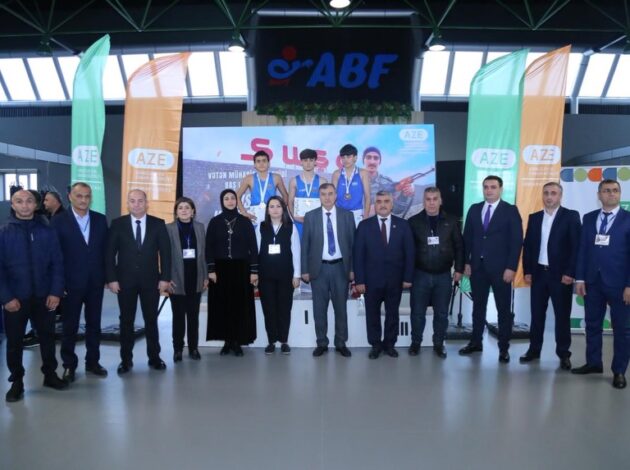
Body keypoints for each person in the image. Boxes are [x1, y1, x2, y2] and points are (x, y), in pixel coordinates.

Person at [0, 189, 68, 402]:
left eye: (29, 201)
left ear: (36, 205)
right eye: (19, 201)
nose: (25, 205)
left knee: (47, 338)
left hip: (44, 297)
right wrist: (6, 297)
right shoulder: (4, 233)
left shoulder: (47, 231)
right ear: (13, 205)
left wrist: (55, 292)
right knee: (14, 342)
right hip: (15, 299)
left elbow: (57, 264)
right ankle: (17, 382)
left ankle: (50, 375)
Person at [106, 189, 172, 374]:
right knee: (126, 321)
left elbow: (166, 254)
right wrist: (112, 279)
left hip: (151, 281)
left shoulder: (158, 224)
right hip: (124, 282)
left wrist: (165, 278)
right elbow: (109, 254)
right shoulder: (117, 224)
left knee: (151, 320)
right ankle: (126, 360)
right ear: (128, 203)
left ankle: (155, 357)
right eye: (133, 201)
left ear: (147, 203)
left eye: (140, 201)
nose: (136, 204)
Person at [572, 179, 630, 389]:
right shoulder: (588, 218)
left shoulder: (628, 219)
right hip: (592, 282)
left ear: (620, 194)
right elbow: (582, 250)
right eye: (606, 191)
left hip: (620, 284)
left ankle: (619, 371)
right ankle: (594, 362)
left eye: (615, 190)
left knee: (622, 330)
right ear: (599, 195)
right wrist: (580, 278)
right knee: (592, 324)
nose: (611, 194)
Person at [460, 175, 523, 363]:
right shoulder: (474, 209)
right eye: (486, 187)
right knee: (478, 307)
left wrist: (511, 267)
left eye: (493, 187)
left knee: (503, 310)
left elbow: (516, 241)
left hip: (501, 270)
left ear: (501, 189)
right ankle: (475, 342)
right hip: (477, 268)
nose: (489, 190)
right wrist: (466, 262)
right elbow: (467, 238)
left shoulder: (510, 210)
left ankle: (503, 348)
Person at [51, 182, 109, 382]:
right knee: (70, 326)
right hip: (70, 284)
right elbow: (54, 256)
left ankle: (93, 362)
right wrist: (58, 285)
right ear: (70, 197)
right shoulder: (58, 221)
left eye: (87, 196)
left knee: (94, 324)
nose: (83, 200)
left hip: (95, 283)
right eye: (79, 196)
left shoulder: (100, 220)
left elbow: (105, 252)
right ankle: (69, 365)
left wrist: (107, 278)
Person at [521, 182, 581, 370]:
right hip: (539, 274)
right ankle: (534, 349)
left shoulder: (571, 216)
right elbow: (528, 247)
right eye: (546, 193)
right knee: (536, 315)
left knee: (562, 316)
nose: (549, 196)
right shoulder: (535, 217)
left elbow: (576, 247)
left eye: (553, 193)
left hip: (561, 276)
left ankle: (563, 353)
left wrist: (570, 272)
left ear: (560, 196)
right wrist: (528, 271)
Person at [353, 191, 414, 359]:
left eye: (386, 201)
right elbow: (358, 255)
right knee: (372, 314)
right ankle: (375, 345)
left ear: (392, 204)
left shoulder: (403, 225)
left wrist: (408, 277)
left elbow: (410, 253)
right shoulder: (364, 226)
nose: (383, 204)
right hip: (371, 281)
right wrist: (359, 280)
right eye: (379, 201)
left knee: (392, 314)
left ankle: (389, 344)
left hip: (395, 280)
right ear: (375, 204)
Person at [408, 187, 464, 358]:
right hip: (420, 275)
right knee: (417, 313)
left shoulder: (452, 221)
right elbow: (407, 251)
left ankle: (438, 344)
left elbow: (459, 247)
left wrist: (459, 269)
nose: (431, 203)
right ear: (423, 201)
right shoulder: (413, 222)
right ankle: (415, 343)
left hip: (443, 276)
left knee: (441, 313)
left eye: (435, 199)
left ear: (440, 201)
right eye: (428, 199)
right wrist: (407, 275)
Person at [301, 183, 355, 357]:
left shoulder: (347, 216)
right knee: (319, 309)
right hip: (319, 269)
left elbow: (353, 245)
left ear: (336, 195)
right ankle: (321, 343)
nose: (327, 197)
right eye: (323, 194)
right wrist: (304, 270)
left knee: (341, 309)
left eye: (330, 193)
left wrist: (353, 269)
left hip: (341, 268)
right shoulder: (311, 216)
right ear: (319, 196)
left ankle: (341, 343)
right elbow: (305, 245)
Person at [206, 189, 258, 356]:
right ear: (222, 202)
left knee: (239, 306)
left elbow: (253, 247)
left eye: (232, 198)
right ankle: (227, 341)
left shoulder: (245, 221)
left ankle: (237, 341)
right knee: (222, 306)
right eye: (226, 199)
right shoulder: (215, 222)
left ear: (237, 201)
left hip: (241, 269)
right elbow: (209, 247)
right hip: (220, 270)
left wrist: (254, 271)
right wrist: (211, 269)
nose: (230, 201)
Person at [256, 196, 301, 355]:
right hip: (265, 275)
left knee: (284, 308)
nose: (275, 209)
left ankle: (284, 341)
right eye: (271, 206)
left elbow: (296, 252)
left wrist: (296, 275)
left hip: (285, 275)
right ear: (267, 210)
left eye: (278, 206)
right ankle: (271, 341)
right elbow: (256, 251)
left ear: (283, 209)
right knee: (268, 308)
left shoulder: (291, 227)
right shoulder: (261, 227)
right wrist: (254, 273)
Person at [166, 197, 208, 362]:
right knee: (178, 317)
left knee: (193, 316)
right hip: (176, 279)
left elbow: (203, 254)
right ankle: (177, 349)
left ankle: (193, 348)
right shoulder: (169, 228)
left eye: (187, 208)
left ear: (193, 211)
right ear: (176, 212)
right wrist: (166, 278)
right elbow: (165, 255)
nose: (184, 210)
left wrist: (205, 276)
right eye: (180, 208)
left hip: (195, 277)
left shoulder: (200, 227)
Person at [236, 150, 289, 224]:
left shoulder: (276, 177)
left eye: (264, 161)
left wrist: (280, 210)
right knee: (255, 231)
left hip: (271, 213)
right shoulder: (249, 178)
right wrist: (244, 212)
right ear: (254, 165)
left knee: (272, 231)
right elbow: (237, 196)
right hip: (255, 214)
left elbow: (286, 196)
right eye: (258, 161)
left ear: (269, 163)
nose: (261, 164)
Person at [363, 146, 415, 217]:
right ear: (363, 160)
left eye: (376, 158)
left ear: (379, 162)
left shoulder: (388, 182)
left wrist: (404, 195)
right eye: (368, 157)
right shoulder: (353, 182)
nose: (372, 161)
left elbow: (396, 210)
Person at [288, 148, 327, 236]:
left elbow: (326, 202)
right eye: (305, 160)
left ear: (315, 162)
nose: (308, 163)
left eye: (311, 160)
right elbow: (290, 202)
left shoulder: (322, 181)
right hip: (299, 221)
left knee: (316, 244)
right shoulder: (294, 181)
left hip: (316, 221)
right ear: (301, 162)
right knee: (299, 244)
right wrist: (295, 217)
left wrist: (320, 217)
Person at [331, 144, 371, 226]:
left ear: (355, 158)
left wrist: (366, 218)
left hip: (357, 214)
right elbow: (332, 196)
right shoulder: (336, 174)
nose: (345, 160)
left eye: (348, 157)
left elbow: (367, 197)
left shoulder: (363, 173)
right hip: (340, 213)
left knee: (357, 234)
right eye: (343, 157)